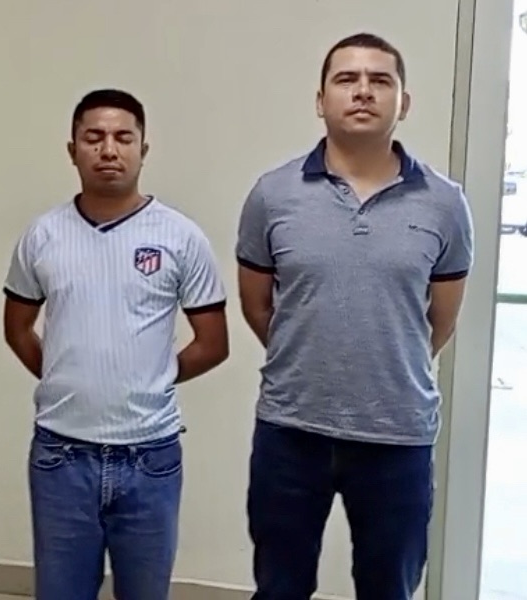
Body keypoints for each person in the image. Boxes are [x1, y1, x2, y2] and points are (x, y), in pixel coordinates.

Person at [235, 33, 474, 600]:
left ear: (403, 103)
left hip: (398, 436)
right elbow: (258, 307)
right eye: (346, 79)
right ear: (321, 100)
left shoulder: (444, 203)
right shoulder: (272, 195)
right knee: (279, 587)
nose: (363, 91)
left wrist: (386, 363)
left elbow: (439, 322)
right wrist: (309, 355)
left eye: (379, 80)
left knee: (388, 588)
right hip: (291, 431)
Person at [2, 89, 230, 600]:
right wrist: (67, 376)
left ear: (143, 150)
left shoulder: (180, 236)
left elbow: (213, 343)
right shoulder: (42, 236)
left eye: (123, 138)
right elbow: (17, 329)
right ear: (73, 150)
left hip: (151, 458)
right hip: (61, 456)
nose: (109, 149)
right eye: (94, 137)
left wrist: (147, 378)